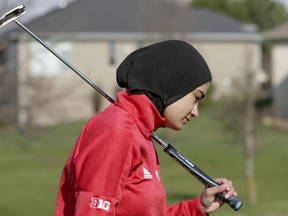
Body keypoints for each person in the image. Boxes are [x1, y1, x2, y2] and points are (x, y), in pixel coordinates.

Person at [55, 40, 238, 216]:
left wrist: (198, 208)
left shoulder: (142, 134)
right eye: (196, 97)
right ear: (172, 84)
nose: (195, 111)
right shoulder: (116, 128)